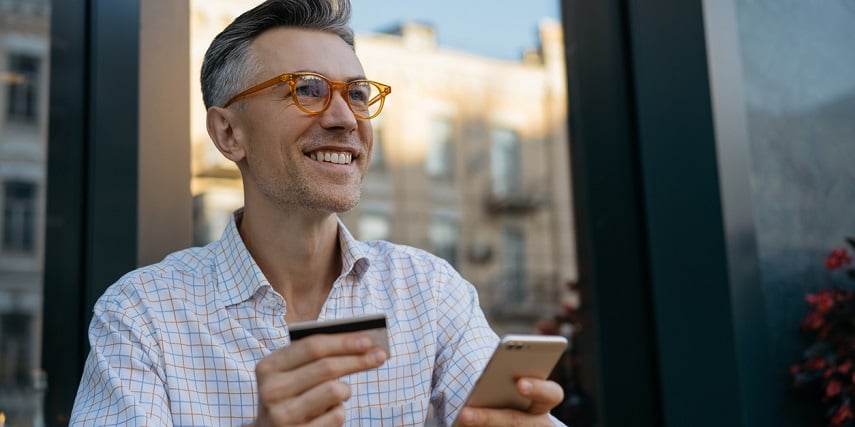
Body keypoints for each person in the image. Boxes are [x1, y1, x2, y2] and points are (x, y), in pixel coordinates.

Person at [70, 0, 566, 425]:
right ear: (227, 134)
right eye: (307, 88)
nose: (344, 118)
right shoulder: (142, 316)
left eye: (355, 93)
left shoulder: (430, 293)